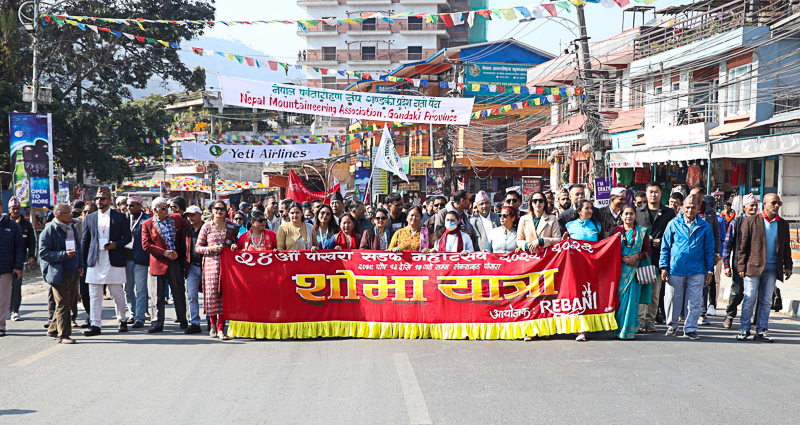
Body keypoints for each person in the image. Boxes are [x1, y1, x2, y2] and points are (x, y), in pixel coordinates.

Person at [736, 193, 792, 342]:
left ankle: (761, 330)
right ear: (765, 204)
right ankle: (744, 328)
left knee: (766, 300)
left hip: (773, 268)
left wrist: (788, 266)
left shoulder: (783, 225)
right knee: (749, 298)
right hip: (753, 267)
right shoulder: (751, 221)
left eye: (778, 203)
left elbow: (786, 247)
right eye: (773, 203)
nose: (776, 206)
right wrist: (740, 265)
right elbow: (743, 246)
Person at [659, 195, 715, 340]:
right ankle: (672, 326)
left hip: (697, 270)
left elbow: (709, 250)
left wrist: (709, 270)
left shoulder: (704, 226)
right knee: (672, 299)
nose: (690, 210)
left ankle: (690, 328)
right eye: (687, 207)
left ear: (698, 208)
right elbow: (665, 247)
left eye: (693, 207)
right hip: (675, 268)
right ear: (682, 208)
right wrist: (664, 266)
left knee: (694, 301)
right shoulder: (673, 224)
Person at [81, 187, 132, 337]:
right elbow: (85, 240)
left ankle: (122, 319)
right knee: (95, 294)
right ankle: (95, 324)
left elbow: (127, 238)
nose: (99, 201)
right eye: (97, 198)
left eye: (102, 198)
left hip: (113, 258)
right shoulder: (90, 218)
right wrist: (82, 263)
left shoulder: (120, 217)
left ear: (110, 200)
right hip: (95, 260)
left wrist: (115, 244)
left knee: (117, 293)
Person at [141, 197, 188, 334]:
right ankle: (157, 322)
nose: (166, 210)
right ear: (155, 210)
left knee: (178, 292)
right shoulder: (147, 224)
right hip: (159, 262)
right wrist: (164, 253)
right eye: (162, 208)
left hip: (175, 261)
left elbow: (188, 232)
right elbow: (146, 245)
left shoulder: (177, 218)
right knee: (157, 295)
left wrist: (179, 253)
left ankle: (183, 320)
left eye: (167, 207)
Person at [39, 203, 84, 344]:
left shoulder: (71, 228)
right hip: (59, 273)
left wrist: (80, 265)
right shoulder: (49, 231)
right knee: (63, 304)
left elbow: (78, 247)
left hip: (73, 271)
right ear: (58, 214)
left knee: (68, 302)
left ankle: (53, 329)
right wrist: (63, 254)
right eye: (68, 213)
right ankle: (63, 335)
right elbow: (43, 253)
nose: (71, 215)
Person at [635, 182, 676, 333]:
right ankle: (638, 321)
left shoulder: (669, 212)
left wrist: (663, 240)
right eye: (651, 192)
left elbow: (673, 234)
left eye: (656, 192)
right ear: (646, 194)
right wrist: (645, 239)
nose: (653, 195)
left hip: (660, 257)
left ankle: (650, 320)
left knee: (655, 291)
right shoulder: (637, 211)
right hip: (641, 257)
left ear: (661, 194)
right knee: (640, 290)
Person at [195, 200, 238, 340]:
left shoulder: (232, 226)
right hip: (211, 264)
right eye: (216, 209)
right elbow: (198, 247)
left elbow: (237, 241)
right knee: (212, 295)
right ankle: (213, 326)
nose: (219, 211)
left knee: (225, 296)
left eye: (222, 209)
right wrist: (211, 249)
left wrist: (234, 246)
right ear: (212, 210)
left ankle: (221, 328)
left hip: (227, 265)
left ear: (226, 211)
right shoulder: (206, 227)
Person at [610, 204, 652, 340]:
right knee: (620, 300)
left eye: (631, 214)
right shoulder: (616, 231)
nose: (628, 216)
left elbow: (648, 252)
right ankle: (618, 330)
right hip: (619, 272)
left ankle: (629, 330)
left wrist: (637, 256)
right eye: (626, 214)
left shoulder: (642, 231)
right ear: (621, 216)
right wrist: (624, 258)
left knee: (632, 301)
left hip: (634, 272)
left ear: (635, 215)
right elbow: (610, 251)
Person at [564, 199, 602, 341]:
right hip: (574, 267)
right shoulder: (569, 226)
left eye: (591, 208)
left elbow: (603, 244)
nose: (590, 211)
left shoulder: (597, 226)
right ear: (579, 211)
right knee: (576, 297)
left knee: (590, 296)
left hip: (592, 267)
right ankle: (579, 329)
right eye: (586, 208)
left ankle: (590, 326)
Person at [722, 194, 759, 329]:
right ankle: (730, 315)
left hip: (756, 264)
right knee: (737, 291)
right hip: (740, 263)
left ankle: (754, 322)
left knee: (755, 293)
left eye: (756, 205)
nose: (754, 208)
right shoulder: (735, 223)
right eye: (751, 205)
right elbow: (727, 245)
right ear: (744, 207)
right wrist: (726, 265)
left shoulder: (760, 222)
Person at [7, 197, 36, 323]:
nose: (15, 211)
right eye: (13, 209)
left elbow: (32, 242)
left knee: (16, 287)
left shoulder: (26, 225)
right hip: (4, 260)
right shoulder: (3, 223)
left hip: (19, 260)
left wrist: (32, 256)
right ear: (9, 210)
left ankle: (14, 311)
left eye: (18, 208)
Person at [124, 195, 150, 329]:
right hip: (126, 259)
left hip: (141, 259)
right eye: (128, 205)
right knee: (127, 289)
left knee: (141, 290)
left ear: (140, 206)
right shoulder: (123, 219)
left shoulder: (146, 220)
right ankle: (132, 314)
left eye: (132, 205)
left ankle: (140, 318)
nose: (129, 207)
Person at [0, 198, 24, 337]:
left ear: (1, 208)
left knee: (3, 299)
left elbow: (19, 248)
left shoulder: (13, 226)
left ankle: (1, 325)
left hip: (5, 269)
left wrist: (18, 266)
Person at [180, 206, 205, 335]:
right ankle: (194, 322)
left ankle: (211, 320)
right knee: (191, 296)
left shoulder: (207, 228)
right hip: (192, 267)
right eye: (188, 215)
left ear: (200, 214)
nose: (190, 218)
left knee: (209, 296)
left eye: (193, 215)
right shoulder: (187, 230)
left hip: (207, 266)